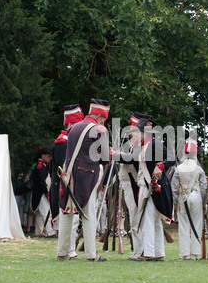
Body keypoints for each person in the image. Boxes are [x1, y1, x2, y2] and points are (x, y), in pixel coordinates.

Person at [57, 98, 110, 262]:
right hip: (87, 174)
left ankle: (62, 252)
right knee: (89, 214)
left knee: (67, 213)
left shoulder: (74, 128)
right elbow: (106, 158)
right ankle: (91, 254)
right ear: (101, 116)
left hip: (68, 174)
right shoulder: (98, 129)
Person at [133, 118, 175, 261]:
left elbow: (171, 158)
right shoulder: (144, 146)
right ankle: (158, 253)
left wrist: (160, 165)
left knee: (149, 221)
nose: (136, 135)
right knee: (153, 221)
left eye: (138, 132)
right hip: (147, 186)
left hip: (152, 187)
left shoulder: (155, 144)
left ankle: (150, 253)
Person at [113, 112, 154, 261]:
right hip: (129, 185)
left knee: (136, 218)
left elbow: (132, 158)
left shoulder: (139, 145)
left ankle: (140, 250)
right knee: (134, 217)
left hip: (134, 184)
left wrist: (114, 154)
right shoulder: (135, 144)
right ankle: (139, 249)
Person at [54, 104, 84, 259]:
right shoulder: (63, 142)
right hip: (66, 185)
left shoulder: (71, 141)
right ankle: (67, 250)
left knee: (74, 220)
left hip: (73, 183)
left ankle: (70, 249)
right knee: (68, 219)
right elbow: (61, 168)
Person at [171, 137, 207, 260]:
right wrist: (204, 202)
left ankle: (184, 254)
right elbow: (204, 187)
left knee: (184, 225)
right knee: (196, 224)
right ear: (195, 153)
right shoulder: (199, 169)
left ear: (183, 153)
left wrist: (175, 202)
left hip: (183, 197)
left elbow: (174, 188)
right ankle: (195, 254)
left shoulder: (178, 168)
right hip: (196, 196)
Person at [31, 147, 56, 237]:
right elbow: (42, 182)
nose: (50, 158)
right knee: (46, 212)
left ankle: (39, 231)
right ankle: (49, 231)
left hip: (40, 192)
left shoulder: (42, 165)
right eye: (49, 156)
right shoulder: (40, 166)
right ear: (43, 156)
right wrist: (47, 193)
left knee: (40, 213)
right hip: (41, 193)